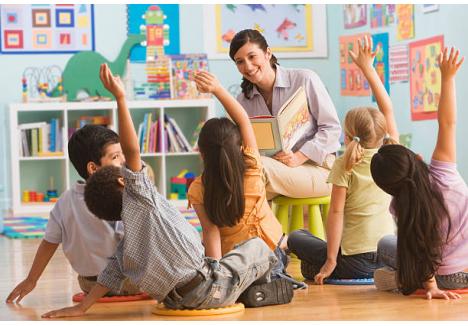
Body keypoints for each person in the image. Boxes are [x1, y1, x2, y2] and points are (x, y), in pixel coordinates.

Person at [41, 63, 293, 318]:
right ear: (123, 182)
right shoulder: (142, 199)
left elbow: (107, 277)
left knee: (230, 264)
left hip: (177, 301)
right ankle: (271, 284)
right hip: (208, 288)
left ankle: (248, 287)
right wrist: (120, 97)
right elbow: (132, 150)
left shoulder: (126, 246)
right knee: (257, 247)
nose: (126, 167)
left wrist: (82, 307)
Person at [287, 35, 396, 283]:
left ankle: (322, 264)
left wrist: (330, 261)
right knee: (313, 247)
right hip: (388, 256)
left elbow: (335, 213)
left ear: (347, 137)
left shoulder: (344, 163)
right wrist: (368, 69)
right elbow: (387, 108)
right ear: (383, 133)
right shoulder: (393, 156)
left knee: (297, 237)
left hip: (353, 263)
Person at [187, 71, 304, 289]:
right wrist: (217, 89)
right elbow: (243, 120)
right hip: (270, 257)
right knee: (292, 241)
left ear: (201, 153)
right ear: (240, 148)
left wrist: (217, 278)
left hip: (235, 266)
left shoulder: (197, 188)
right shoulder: (252, 166)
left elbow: (211, 233)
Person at [371, 47, 467, 300]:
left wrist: (431, 286)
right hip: (464, 270)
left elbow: (418, 247)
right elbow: (447, 122)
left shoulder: (401, 206)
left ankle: (397, 277)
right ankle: (399, 277)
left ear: (388, 188)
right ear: (417, 159)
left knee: (385, 245)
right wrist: (448, 77)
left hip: (442, 276)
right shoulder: (445, 174)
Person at [6, 125, 140, 304]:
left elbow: (49, 243)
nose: (124, 160)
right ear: (93, 168)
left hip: (88, 284)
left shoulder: (64, 200)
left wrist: (31, 280)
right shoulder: (119, 196)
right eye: (115, 156)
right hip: (125, 283)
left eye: (122, 153)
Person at [230, 29, 341, 200]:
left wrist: (299, 156)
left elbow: (332, 129)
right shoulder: (243, 100)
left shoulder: (305, 79)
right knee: (233, 182)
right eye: (240, 62)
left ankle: (256, 226)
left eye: (252, 57)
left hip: (320, 169)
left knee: (255, 173)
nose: (248, 66)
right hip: (274, 170)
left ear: (268, 53)